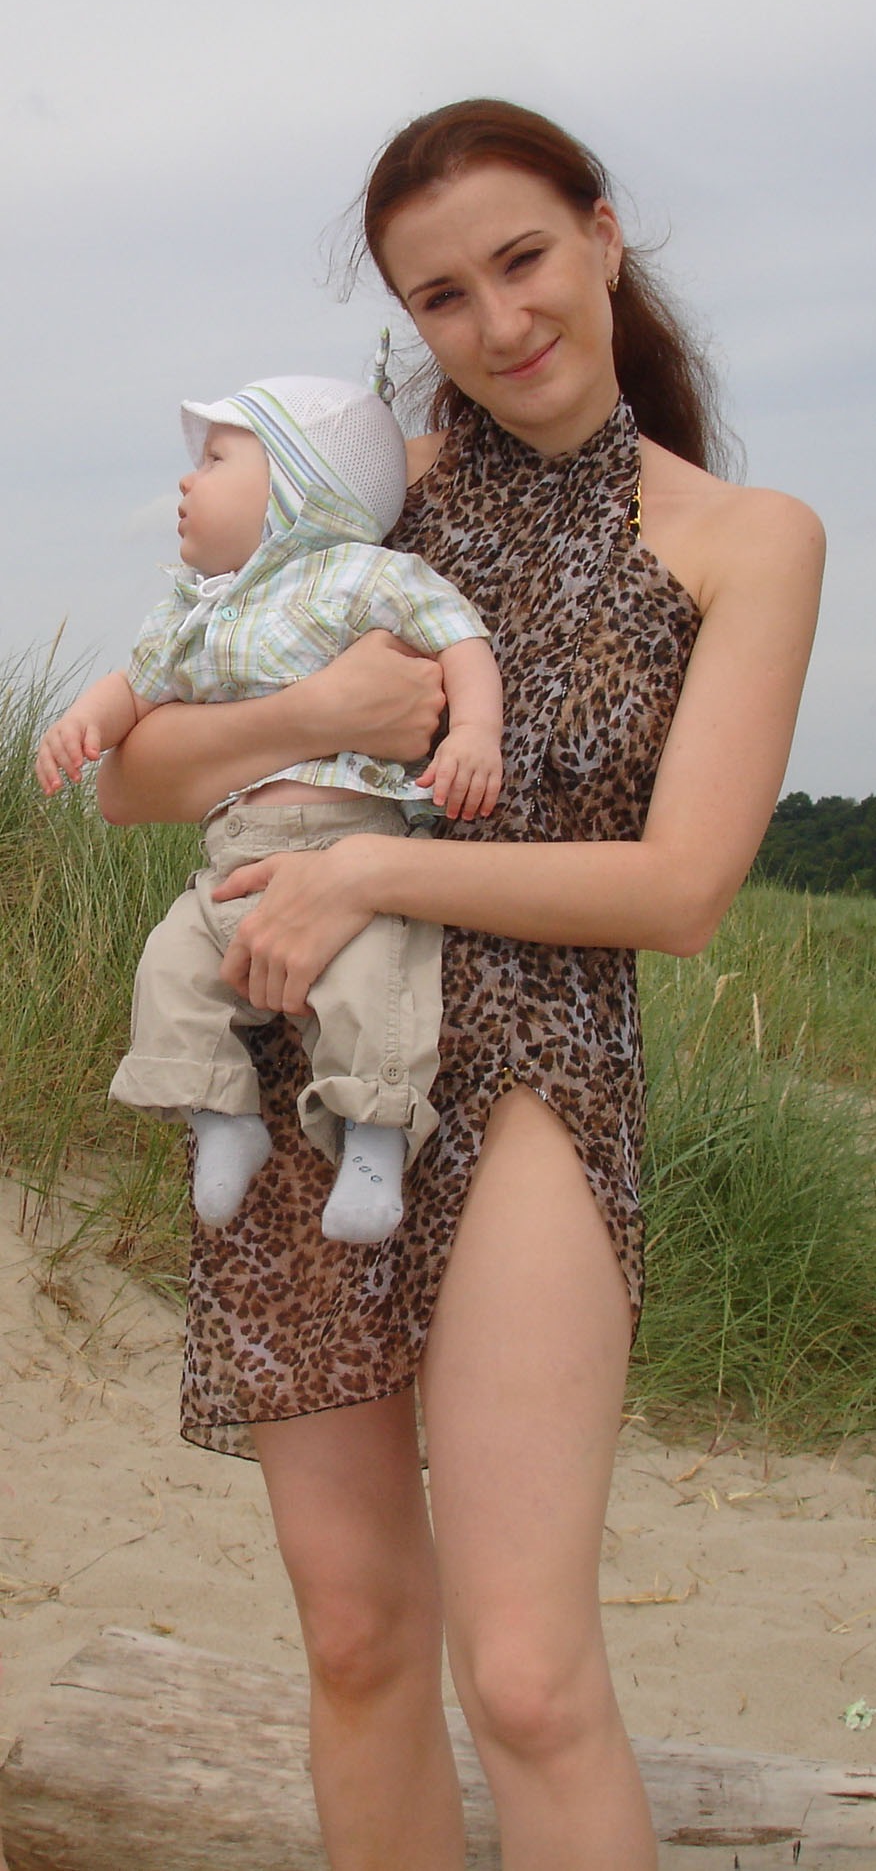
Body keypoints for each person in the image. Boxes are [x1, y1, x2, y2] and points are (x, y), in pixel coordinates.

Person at [95, 99, 824, 1871]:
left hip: (536, 1081)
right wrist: (311, 718)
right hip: (299, 1063)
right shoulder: (360, 496)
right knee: (357, 1636)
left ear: (601, 236)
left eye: (521, 260)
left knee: (527, 1674)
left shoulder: (748, 537)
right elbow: (135, 775)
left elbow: (680, 889)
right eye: (441, 295)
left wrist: (370, 867)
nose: (498, 321)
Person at [36, 374, 503, 1242]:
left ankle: (374, 1144)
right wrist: (82, 726)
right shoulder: (195, 610)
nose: (187, 479)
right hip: (230, 864)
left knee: (376, 990)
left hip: (348, 851)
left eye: (217, 459)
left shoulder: (365, 575)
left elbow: (460, 637)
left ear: (300, 488)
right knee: (171, 967)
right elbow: (134, 689)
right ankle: (223, 1118)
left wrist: (476, 732)